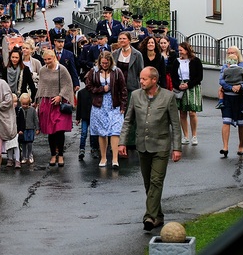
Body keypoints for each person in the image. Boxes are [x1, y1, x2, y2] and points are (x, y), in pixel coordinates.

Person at [118, 67, 181, 232]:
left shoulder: (168, 97)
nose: (141, 81)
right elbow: (128, 121)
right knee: (148, 183)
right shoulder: (136, 95)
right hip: (142, 145)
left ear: (154, 80)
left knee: (156, 181)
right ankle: (158, 215)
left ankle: (149, 216)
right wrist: (122, 142)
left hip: (161, 145)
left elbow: (175, 124)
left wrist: (177, 148)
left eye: (144, 79)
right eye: (140, 78)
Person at [85, 51, 128, 169]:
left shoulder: (117, 72)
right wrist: (100, 89)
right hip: (99, 104)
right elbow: (88, 87)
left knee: (115, 131)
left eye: (106, 63)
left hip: (114, 104)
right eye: (102, 63)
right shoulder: (93, 72)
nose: (104, 65)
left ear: (110, 61)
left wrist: (123, 106)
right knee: (102, 132)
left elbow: (123, 90)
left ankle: (115, 158)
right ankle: (103, 157)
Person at [37, 50, 75, 167]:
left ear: (54, 58)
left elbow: (68, 84)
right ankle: (53, 154)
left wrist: (60, 96)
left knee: (59, 130)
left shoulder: (62, 69)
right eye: (45, 60)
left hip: (59, 103)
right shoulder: (42, 70)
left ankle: (61, 155)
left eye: (49, 59)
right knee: (50, 131)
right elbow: (41, 86)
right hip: (47, 102)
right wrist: (37, 101)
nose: (47, 62)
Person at [218, 47, 243, 157]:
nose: (230, 54)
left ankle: (241, 146)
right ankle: (225, 147)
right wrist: (231, 88)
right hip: (228, 97)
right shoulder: (225, 67)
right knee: (226, 121)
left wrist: (240, 86)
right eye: (228, 53)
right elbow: (221, 80)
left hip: (240, 97)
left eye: (233, 53)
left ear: (238, 54)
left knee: (241, 123)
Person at [170, 42, 204, 146]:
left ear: (187, 50)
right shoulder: (176, 61)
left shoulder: (196, 61)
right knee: (183, 113)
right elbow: (173, 75)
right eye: (178, 50)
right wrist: (178, 85)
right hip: (180, 87)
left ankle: (194, 136)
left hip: (192, 87)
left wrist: (188, 85)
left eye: (181, 50)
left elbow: (199, 77)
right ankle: (185, 136)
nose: (179, 52)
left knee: (192, 112)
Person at [75, 86, 99, 161]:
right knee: (85, 133)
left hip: (91, 116)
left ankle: (93, 148)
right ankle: (83, 149)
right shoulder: (82, 93)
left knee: (91, 133)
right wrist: (78, 118)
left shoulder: (93, 92)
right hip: (86, 116)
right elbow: (79, 106)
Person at [17, 92, 39, 165]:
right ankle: (24, 156)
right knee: (23, 143)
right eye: (23, 104)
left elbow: (35, 119)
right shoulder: (20, 110)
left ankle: (30, 155)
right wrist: (18, 129)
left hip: (30, 129)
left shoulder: (32, 110)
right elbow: (18, 120)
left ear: (29, 102)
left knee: (29, 143)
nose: (25, 106)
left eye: (27, 104)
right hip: (22, 130)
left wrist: (37, 128)